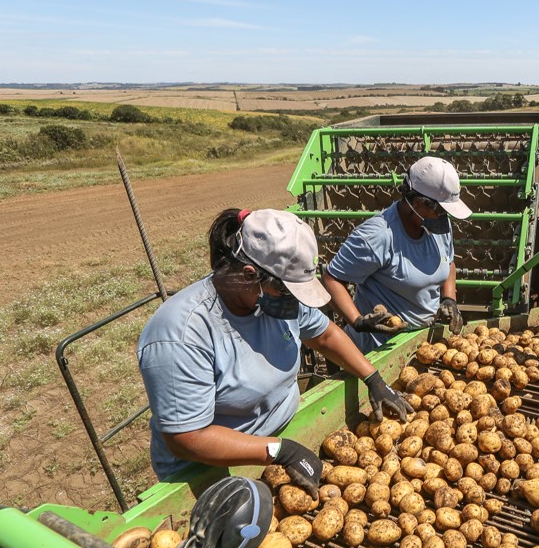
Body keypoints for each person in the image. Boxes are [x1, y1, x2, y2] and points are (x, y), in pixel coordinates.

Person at [137, 208, 413, 489]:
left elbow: (325, 335)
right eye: (286, 292)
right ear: (248, 275)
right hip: (211, 471)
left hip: (280, 442)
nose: (295, 303)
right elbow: (187, 439)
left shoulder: (276, 299)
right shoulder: (181, 333)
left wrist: (373, 378)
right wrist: (279, 451)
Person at [323, 157, 470, 354]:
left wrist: (448, 299)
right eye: (442, 211)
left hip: (423, 345)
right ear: (419, 204)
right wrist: (358, 322)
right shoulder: (378, 235)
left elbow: (448, 262)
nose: (446, 218)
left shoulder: (439, 226)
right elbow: (332, 278)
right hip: (379, 349)